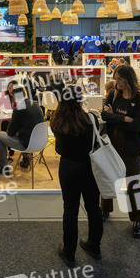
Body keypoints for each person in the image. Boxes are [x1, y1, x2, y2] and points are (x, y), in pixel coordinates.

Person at [52, 84, 103, 268]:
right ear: (80, 99)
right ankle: (94, 247)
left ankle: (69, 252)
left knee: (70, 209)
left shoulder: (56, 120)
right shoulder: (91, 119)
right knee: (93, 207)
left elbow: (58, 148)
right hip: (90, 168)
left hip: (68, 167)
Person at [100, 64, 140, 239]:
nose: (117, 82)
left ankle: (137, 220)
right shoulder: (113, 94)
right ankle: (105, 210)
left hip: (132, 147)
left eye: (120, 79)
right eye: (115, 78)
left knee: (133, 184)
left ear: (129, 78)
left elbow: (136, 126)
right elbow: (104, 116)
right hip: (111, 144)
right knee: (108, 179)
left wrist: (115, 117)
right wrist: (124, 118)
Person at [0, 86, 44, 170]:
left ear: (14, 96)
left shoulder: (18, 109)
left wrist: (17, 131)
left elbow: (10, 132)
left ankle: (2, 166)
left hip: (26, 144)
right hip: (40, 141)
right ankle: (25, 159)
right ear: (24, 94)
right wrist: (19, 131)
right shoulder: (35, 104)